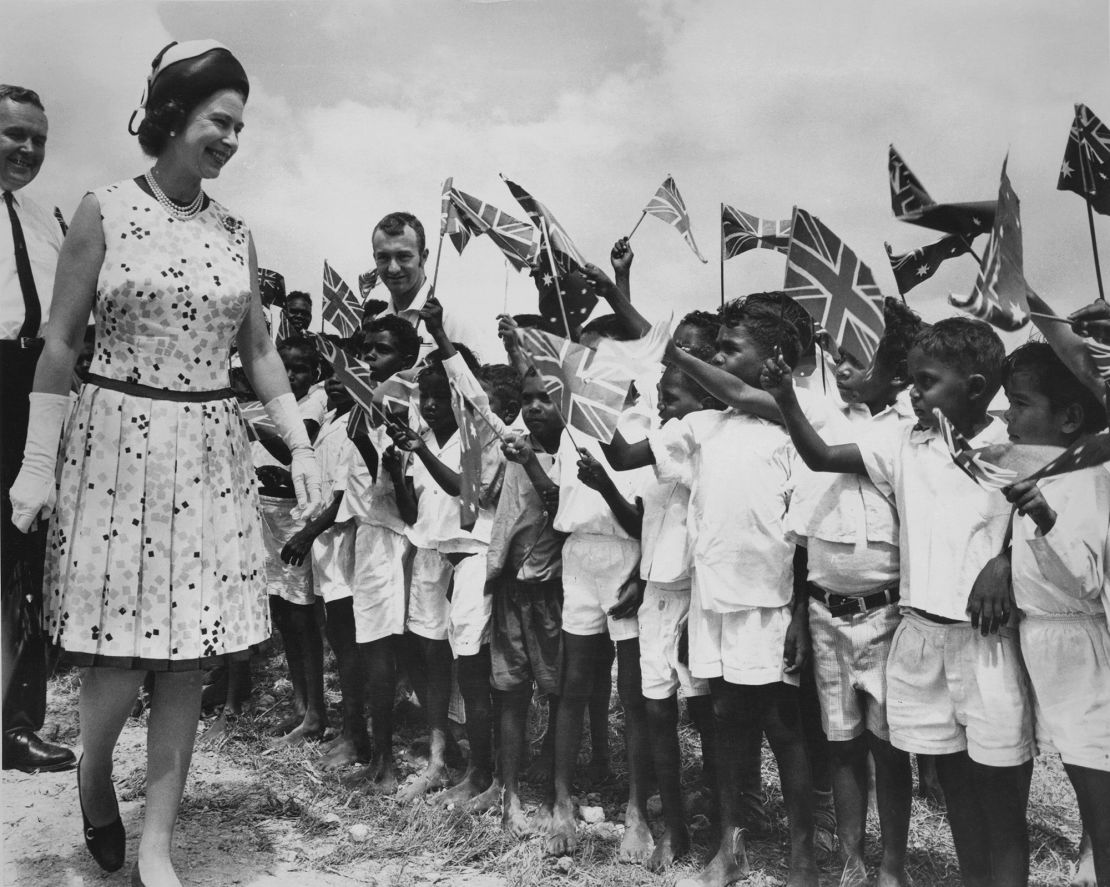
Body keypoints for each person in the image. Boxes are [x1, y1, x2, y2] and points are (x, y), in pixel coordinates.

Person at [8, 41, 322, 887]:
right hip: (116, 443)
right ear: (174, 115)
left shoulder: (235, 232)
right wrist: (38, 466)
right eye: (221, 121)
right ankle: (92, 771)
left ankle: (157, 851)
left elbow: (257, 349)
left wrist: (299, 441)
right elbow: (61, 341)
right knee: (117, 662)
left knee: (189, 660)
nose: (231, 139)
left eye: (240, 127)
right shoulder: (103, 209)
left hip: (207, 452)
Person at [760, 316, 1035, 887]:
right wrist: (785, 397)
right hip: (921, 634)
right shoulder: (907, 440)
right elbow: (822, 456)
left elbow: (1049, 518)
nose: (913, 392)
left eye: (927, 382)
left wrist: (1005, 559)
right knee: (958, 789)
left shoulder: (1015, 444)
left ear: (977, 387)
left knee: (1003, 798)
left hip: (986, 642)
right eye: (911, 380)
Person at [784, 300, 922, 887]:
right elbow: (797, 548)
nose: (839, 363)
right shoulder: (819, 413)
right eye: (834, 353)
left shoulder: (905, 428)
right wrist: (798, 611)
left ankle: (893, 865)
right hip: (824, 611)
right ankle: (852, 862)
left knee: (889, 751)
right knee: (841, 744)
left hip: (887, 612)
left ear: (893, 374)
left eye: (853, 355)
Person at [999, 342, 1110, 885]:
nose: (1009, 418)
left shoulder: (1091, 479)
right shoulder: (1045, 473)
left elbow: (1088, 581)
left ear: (1069, 417)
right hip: (1045, 646)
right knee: (1080, 772)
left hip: (1086, 651)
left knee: (1100, 787)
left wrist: (1043, 514)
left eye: (1020, 404)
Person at [0, 83, 75, 774]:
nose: (27, 149)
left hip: (30, 387)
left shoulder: (46, 221)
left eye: (38, 140)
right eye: (14, 134)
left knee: (27, 558)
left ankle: (18, 726)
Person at [337, 315, 421, 794]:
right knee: (376, 645)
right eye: (366, 349)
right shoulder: (371, 402)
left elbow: (391, 479)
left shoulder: (395, 400)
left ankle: (386, 764)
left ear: (405, 359)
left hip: (387, 535)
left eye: (382, 351)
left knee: (379, 649)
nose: (370, 358)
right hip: (369, 533)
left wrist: (368, 444)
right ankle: (379, 752)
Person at [280, 368, 366, 769]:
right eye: (332, 376)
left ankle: (355, 734)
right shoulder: (331, 419)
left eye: (347, 378)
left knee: (348, 641)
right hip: (326, 543)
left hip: (344, 537)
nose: (335, 383)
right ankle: (340, 726)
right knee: (335, 631)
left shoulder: (355, 422)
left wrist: (307, 534)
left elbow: (343, 494)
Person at [255, 337, 326, 745]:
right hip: (268, 515)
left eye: (299, 369)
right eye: (285, 369)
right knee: (283, 612)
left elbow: (290, 449)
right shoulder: (274, 403)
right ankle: (300, 704)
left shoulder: (312, 403)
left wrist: (254, 427)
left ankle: (316, 709)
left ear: (314, 374)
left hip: (295, 518)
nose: (291, 376)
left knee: (302, 616)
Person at [370, 212, 470, 361]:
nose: (393, 268)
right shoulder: (380, 321)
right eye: (383, 257)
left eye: (403, 256)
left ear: (423, 257)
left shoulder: (453, 318)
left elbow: (476, 383)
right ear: (375, 259)